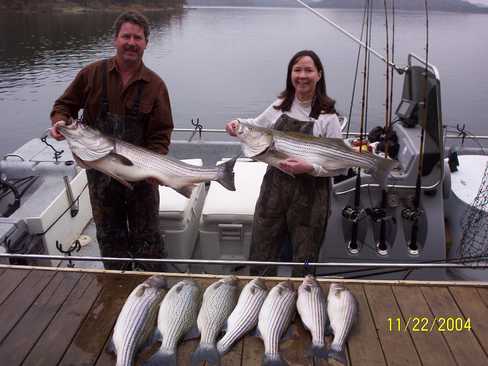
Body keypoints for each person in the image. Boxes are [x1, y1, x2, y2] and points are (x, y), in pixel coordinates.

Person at [50, 11, 173, 271]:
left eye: (137, 38)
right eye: (126, 36)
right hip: (101, 176)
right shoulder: (92, 74)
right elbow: (64, 106)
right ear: (115, 39)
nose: (131, 42)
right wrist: (60, 122)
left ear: (146, 43)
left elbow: (161, 133)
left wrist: (154, 167)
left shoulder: (156, 85)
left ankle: (153, 289)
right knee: (109, 238)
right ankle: (116, 288)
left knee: (148, 239)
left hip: (141, 178)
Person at [226, 50, 342, 277]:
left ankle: (303, 301)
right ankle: (259, 296)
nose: (302, 75)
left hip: (312, 195)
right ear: (290, 75)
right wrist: (237, 124)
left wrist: (310, 168)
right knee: (262, 248)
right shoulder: (281, 105)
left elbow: (338, 165)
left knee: (306, 258)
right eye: (297, 70)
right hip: (275, 189)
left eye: (309, 70)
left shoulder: (328, 117)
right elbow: (257, 125)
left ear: (319, 74)